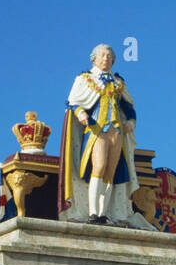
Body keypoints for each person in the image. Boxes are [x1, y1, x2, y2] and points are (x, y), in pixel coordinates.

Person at [58, 44, 146, 226]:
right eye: (103, 55)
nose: (106, 58)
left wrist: (130, 122)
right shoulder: (85, 79)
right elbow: (73, 102)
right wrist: (81, 113)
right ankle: (93, 212)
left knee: (110, 172)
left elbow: (129, 106)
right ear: (94, 58)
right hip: (97, 130)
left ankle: (104, 212)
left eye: (109, 56)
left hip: (116, 131)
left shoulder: (118, 82)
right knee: (98, 167)